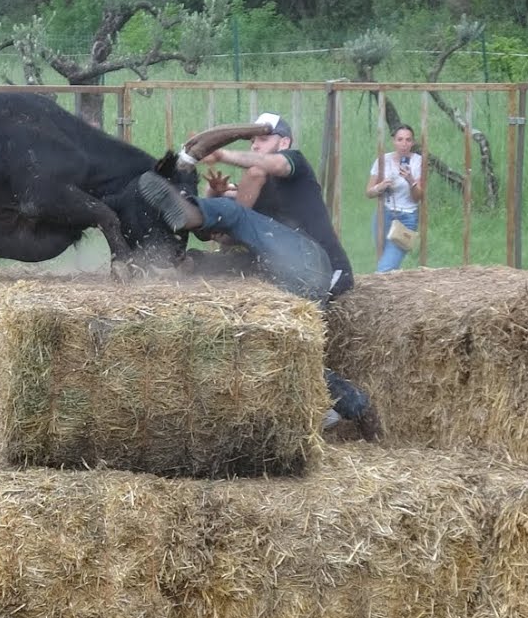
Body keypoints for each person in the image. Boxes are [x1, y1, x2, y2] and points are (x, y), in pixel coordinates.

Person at [138, 112, 381, 441]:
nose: (256, 144)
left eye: (263, 139)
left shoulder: (294, 163)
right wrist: (214, 196)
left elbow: (271, 167)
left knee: (236, 212)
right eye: (253, 140)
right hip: (280, 275)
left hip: (314, 263)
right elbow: (224, 241)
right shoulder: (252, 185)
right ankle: (354, 404)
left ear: (284, 143)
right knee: (280, 348)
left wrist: (223, 154)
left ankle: (187, 207)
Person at [366, 123, 424, 272]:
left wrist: (411, 180)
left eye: (408, 140)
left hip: (407, 218)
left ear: (413, 142)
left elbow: (418, 197)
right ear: (394, 141)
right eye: (400, 139)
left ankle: (377, 291)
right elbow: (369, 192)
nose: (404, 144)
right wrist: (381, 186)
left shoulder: (418, 162)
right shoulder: (383, 160)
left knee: (385, 268)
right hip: (383, 214)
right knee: (384, 260)